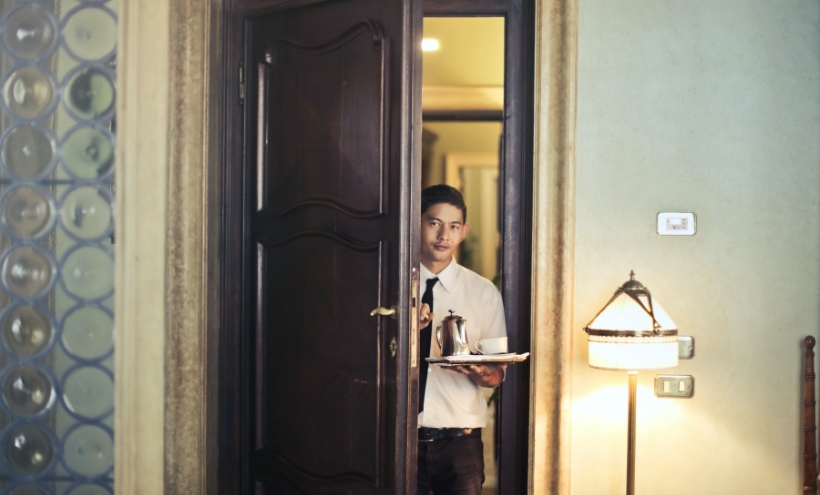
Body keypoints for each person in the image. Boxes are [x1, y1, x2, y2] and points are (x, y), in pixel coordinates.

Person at [415, 184, 508, 495]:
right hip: (397, 436)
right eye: (434, 223)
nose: (444, 235)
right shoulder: (388, 283)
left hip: (460, 444)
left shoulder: (483, 292)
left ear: (464, 231)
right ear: (416, 222)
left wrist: (479, 371)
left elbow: (497, 374)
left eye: (453, 226)